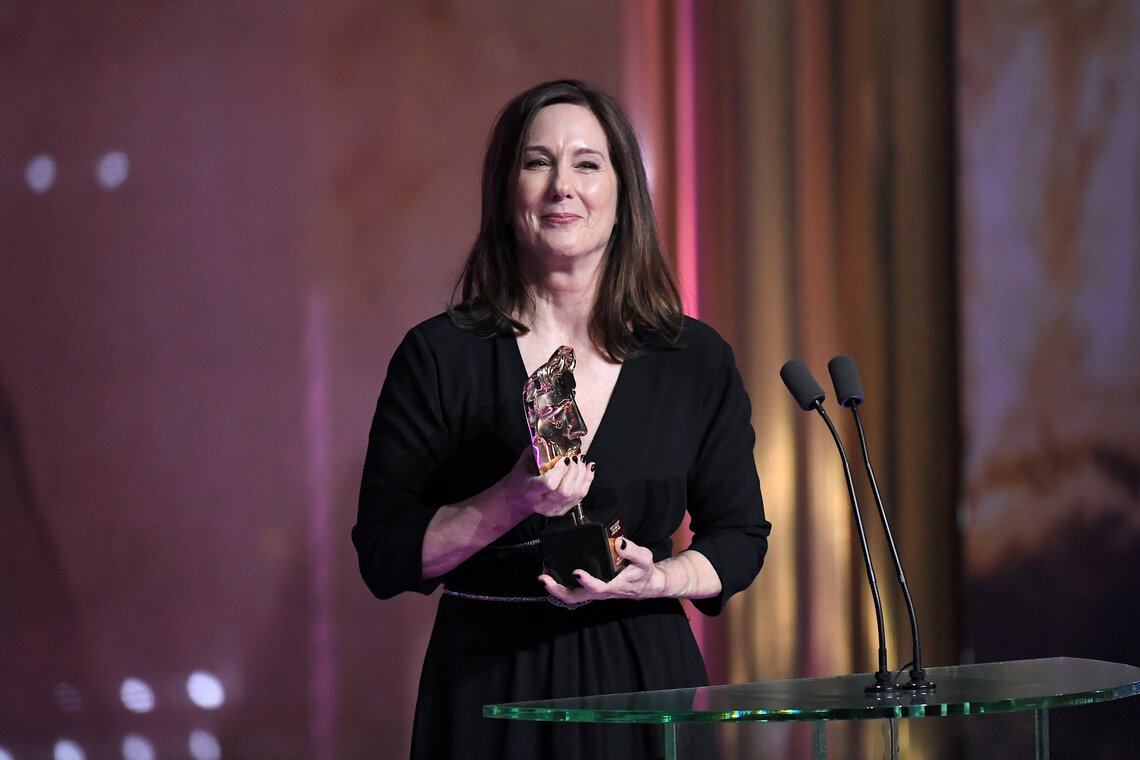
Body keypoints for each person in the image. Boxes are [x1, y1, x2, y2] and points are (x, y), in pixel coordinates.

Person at [353, 79, 771, 760]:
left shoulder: (692, 358)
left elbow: (741, 538)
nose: (561, 187)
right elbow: (384, 553)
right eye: (537, 162)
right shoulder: (439, 355)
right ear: (505, 189)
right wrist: (507, 502)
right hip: (490, 681)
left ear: (622, 191)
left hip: (644, 678)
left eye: (586, 163)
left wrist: (661, 578)